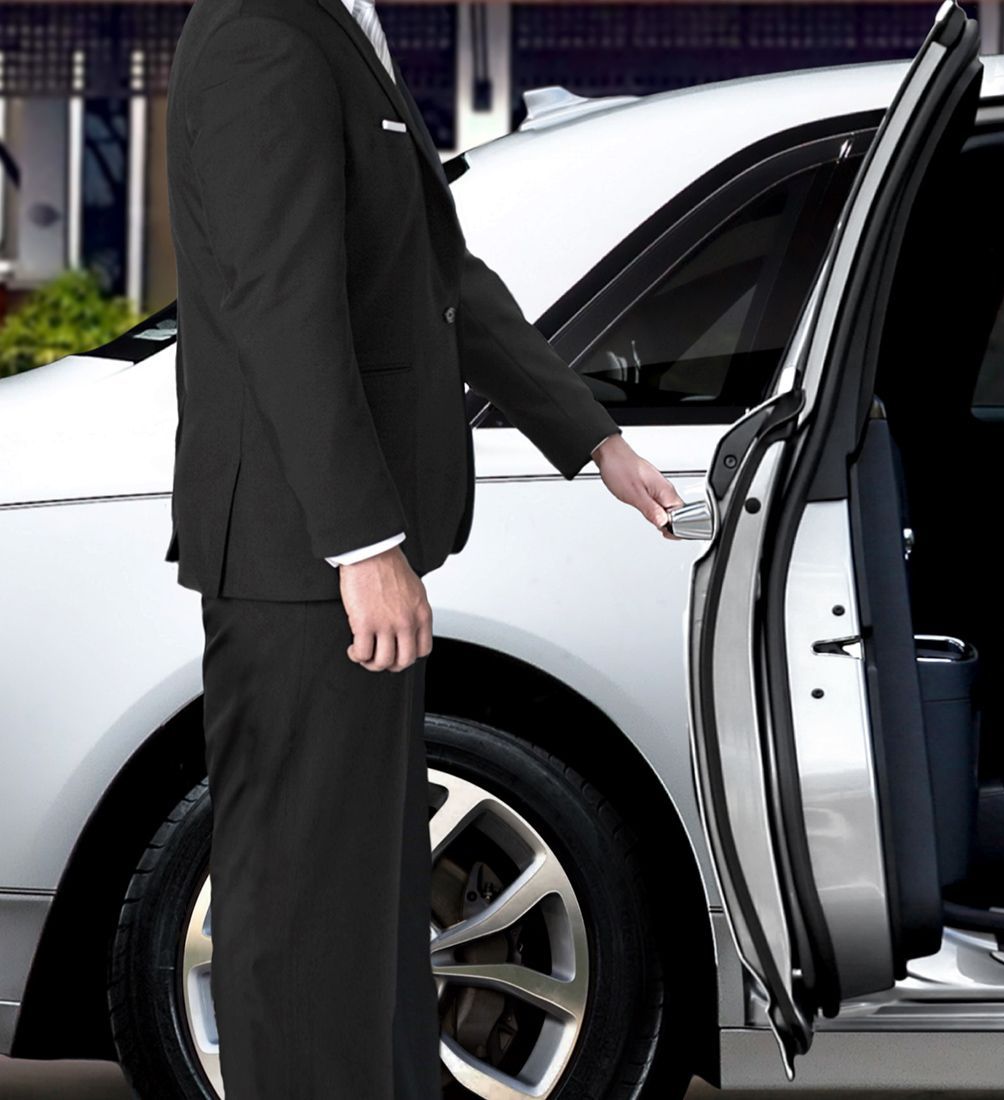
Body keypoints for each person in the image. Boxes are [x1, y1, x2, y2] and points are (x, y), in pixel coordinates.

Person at [163, 0, 684, 1094]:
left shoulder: (335, 23)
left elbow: (441, 277)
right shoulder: (264, 34)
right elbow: (283, 308)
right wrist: (362, 544)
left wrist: (592, 438)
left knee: (368, 905)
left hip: (326, 559)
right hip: (302, 563)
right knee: (309, 910)